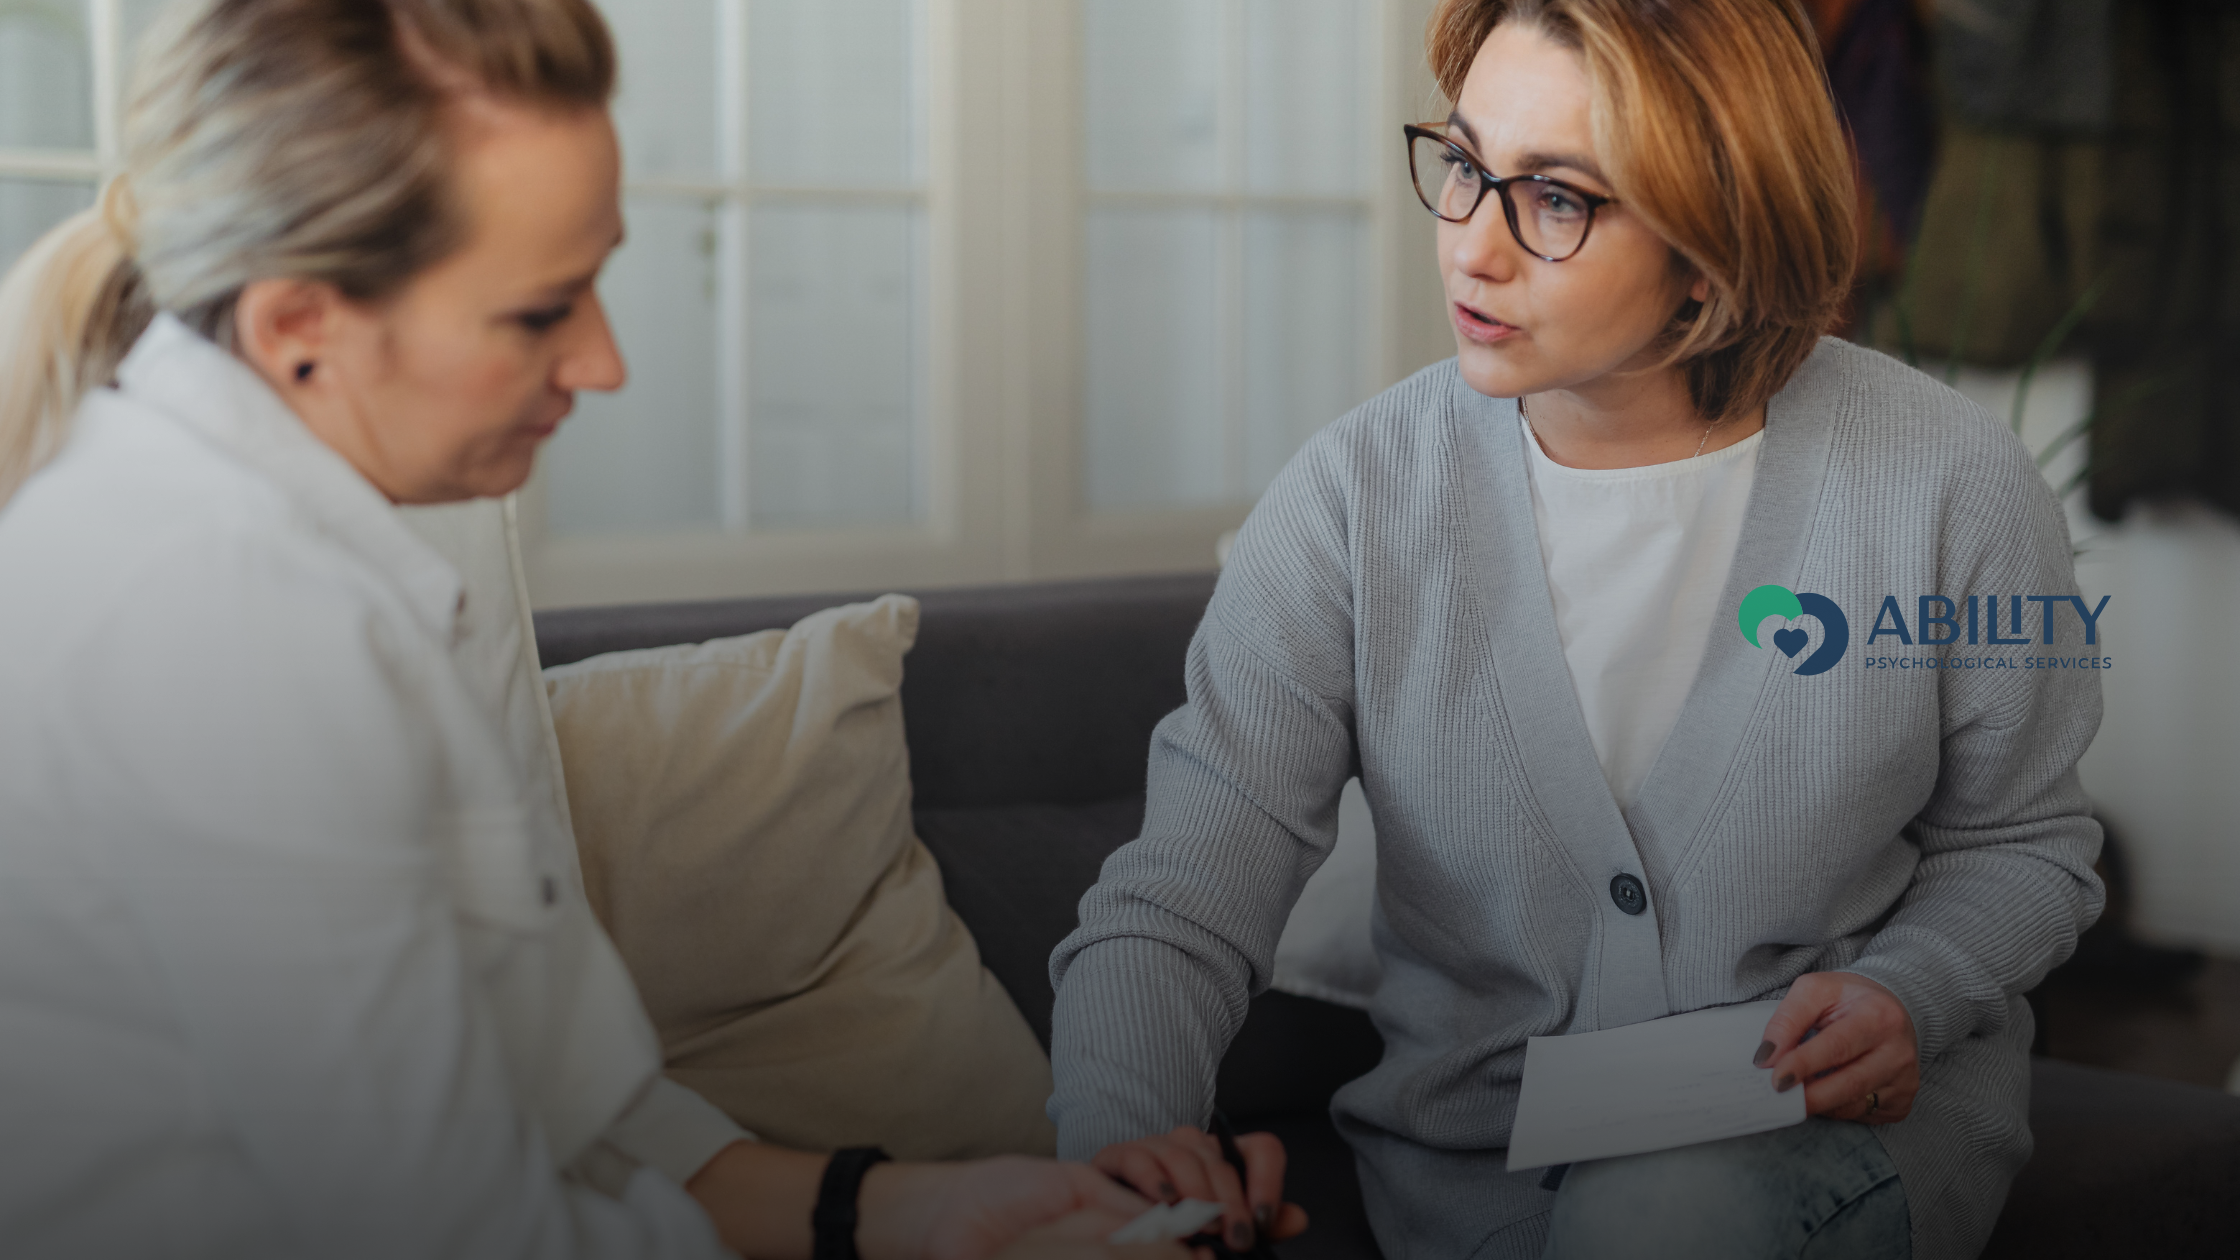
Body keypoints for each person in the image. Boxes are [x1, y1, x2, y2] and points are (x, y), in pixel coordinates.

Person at [0, 3, 1188, 1257]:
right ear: (300, 326)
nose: (605, 362)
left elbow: (564, 1113)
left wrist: (907, 1211)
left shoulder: (329, 547)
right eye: (539, 311)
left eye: (597, 282)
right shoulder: (225, 633)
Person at [1047, 2, 2104, 1259]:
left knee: (1654, 1212)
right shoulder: (1351, 500)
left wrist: (1906, 993)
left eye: (1554, 199)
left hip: (1831, 1147)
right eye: (1462, 165)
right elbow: (1181, 897)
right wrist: (1118, 1138)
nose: (1469, 250)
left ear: (1713, 244)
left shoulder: (1945, 482)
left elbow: (2026, 844)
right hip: (1468, 1184)